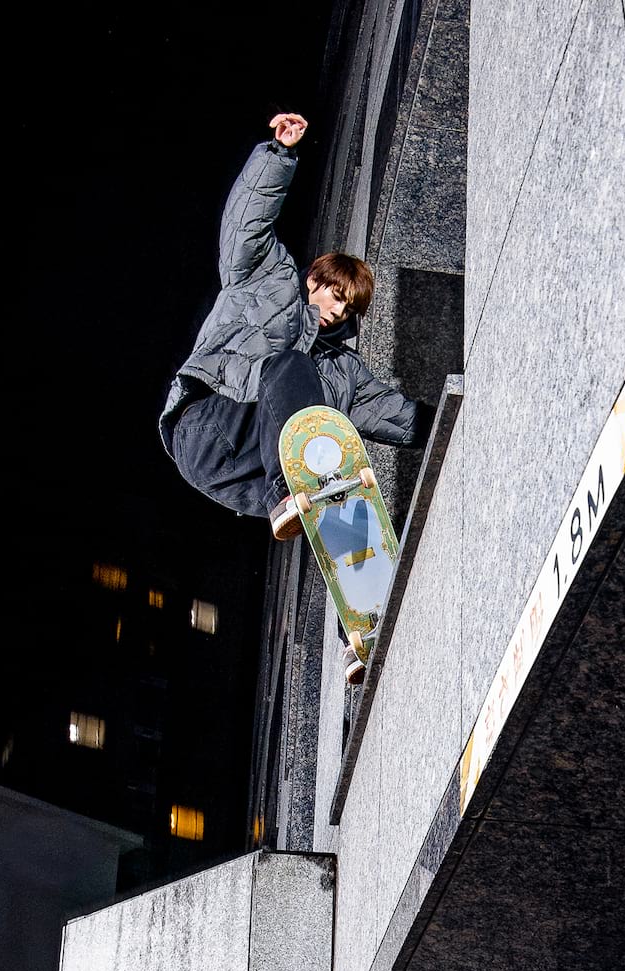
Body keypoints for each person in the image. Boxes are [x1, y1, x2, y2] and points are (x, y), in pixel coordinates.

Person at [159, 114, 429, 673]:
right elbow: (245, 226)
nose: (334, 310)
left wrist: (453, 416)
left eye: (347, 309)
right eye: (333, 294)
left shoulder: (343, 369)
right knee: (288, 370)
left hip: (249, 474)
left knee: (337, 484)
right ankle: (294, 485)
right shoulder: (267, 277)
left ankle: (363, 623)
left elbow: (394, 415)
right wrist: (277, 156)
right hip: (208, 421)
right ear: (314, 277)